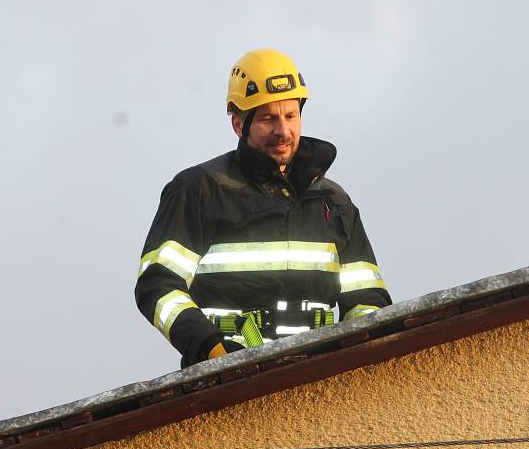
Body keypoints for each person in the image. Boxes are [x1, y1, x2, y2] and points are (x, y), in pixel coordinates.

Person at [135, 49, 392, 368]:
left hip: (319, 378)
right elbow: (158, 286)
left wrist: (354, 358)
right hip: (224, 380)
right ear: (238, 124)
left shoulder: (333, 202)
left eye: (290, 116)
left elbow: (367, 301)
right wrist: (210, 348)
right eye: (269, 118)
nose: (283, 132)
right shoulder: (198, 191)